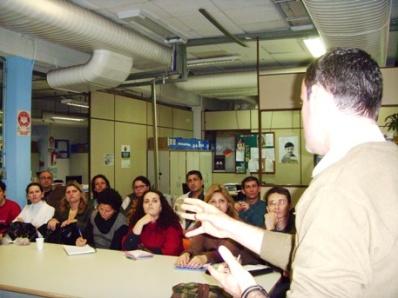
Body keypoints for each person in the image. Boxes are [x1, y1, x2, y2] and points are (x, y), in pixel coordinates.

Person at [180, 48, 398, 297]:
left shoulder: (337, 188)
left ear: (320, 99)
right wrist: (229, 226)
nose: (301, 112)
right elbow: (313, 251)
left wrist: (248, 291)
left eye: (302, 102)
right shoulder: (387, 162)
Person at [176, 184, 260, 268]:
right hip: (220, 268)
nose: (217, 205)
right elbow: (194, 248)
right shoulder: (203, 223)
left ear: (228, 204)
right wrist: (186, 254)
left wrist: (204, 257)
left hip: (249, 269)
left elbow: (226, 252)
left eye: (221, 201)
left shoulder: (235, 223)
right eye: (213, 201)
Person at [122, 190, 183, 256]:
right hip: (141, 263)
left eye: (154, 201)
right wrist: (139, 223)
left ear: (161, 207)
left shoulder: (172, 223)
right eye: (146, 201)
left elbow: (170, 251)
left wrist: (142, 250)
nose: (150, 204)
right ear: (142, 207)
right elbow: (127, 248)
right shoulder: (138, 221)